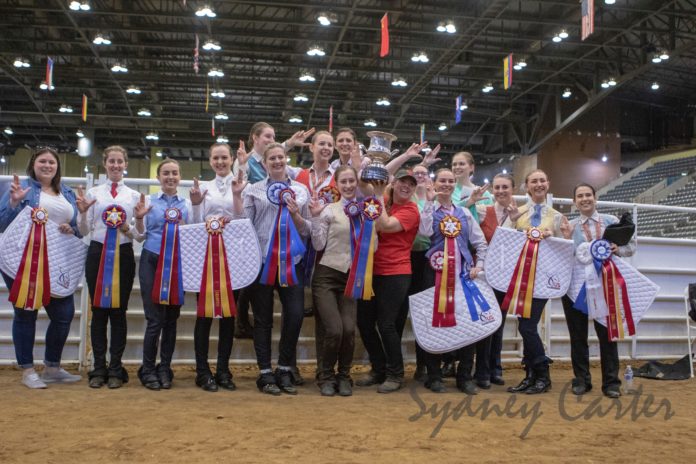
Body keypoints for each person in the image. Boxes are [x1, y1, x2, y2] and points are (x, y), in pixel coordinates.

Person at [0, 148, 83, 388]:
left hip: (57, 259)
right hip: (23, 259)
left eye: (52, 162)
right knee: (26, 313)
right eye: (42, 161)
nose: (47, 165)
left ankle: (52, 367)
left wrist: (72, 229)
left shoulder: (65, 192)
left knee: (64, 315)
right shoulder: (20, 187)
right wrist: (14, 202)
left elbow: (75, 226)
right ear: (33, 164)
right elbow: (2, 222)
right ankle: (27, 370)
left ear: (57, 166)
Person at [242, 142, 311, 395]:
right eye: (272, 158)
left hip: (292, 263)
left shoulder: (301, 191)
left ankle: (284, 368)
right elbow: (245, 225)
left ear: (286, 159)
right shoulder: (253, 190)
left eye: (281, 157)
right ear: (264, 163)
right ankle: (264, 373)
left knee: (295, 315)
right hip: (261, 262)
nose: (277, 162)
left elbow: (306, 230)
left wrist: (296, 216)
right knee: (263, 320)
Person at [561, 183, 636, 399]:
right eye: (580, 196)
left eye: (588, 195)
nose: (584, 199)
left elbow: (632, 246)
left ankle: (611, 382)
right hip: (575, 286)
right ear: (574, 201)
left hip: (606, 284)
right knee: (577, 335)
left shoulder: (611, 221)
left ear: (595, 198)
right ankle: (581, 380)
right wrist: (566, 239)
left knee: (607, 334)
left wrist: (617, 249)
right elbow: (562, 254)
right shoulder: (569, 226)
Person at [418, 168, 488, 394]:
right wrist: (429, 203)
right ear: (435, 183)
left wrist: (480, 265)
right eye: (442, 181)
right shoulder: (429, 209)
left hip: (464, 276)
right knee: (433, 323)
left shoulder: (465, 213)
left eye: (450, 181)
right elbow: (424, 231)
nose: (446, 184)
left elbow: (480, 243)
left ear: (454, 184)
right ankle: (434, 375)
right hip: (434, 274)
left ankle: (465, 375)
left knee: (468, 324)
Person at [355, 158, 422, 394]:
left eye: (411, 184)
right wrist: (359, 166)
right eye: (402, 181)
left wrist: (380, 193)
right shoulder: (384, 199)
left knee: (386, 324)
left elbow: (383, 225)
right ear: (394, 183)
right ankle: (379, 368)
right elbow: (364, 189)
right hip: (374, 270)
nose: (406, 186)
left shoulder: (411, 210)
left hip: (396, 272)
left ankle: (395, 373)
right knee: (364, 322)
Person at [77, 145, 140, 389]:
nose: (115, 165)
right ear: (105, 164)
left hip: (123, 253)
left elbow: (139, 235)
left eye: (119, 161)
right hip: (97, 251)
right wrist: (82, 213)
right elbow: (84, 230)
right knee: (99, 310)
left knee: (118, 311)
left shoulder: (133, 196)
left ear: (126, 165)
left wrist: (130, 227)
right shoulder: (93, 193)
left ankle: (116, 366)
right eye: (111, 161)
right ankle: (98, 367)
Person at [506, 169, 570, 395]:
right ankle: (531, 376)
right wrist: (511, 221)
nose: (539, 184)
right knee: (526, 326)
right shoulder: (517, 213)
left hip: (542, 278)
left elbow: (564, 248)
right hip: (521, 277)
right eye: (534, 181)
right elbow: (506, 240)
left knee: (527, 326)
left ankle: (542, 374)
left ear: (548, 184)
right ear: (527, 186)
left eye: (542, 180)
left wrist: (555, 236)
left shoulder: (556, 217)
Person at [188, 143, 246, 392]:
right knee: (204, 315)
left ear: (231, 159)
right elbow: (194, 223)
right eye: (216, 158)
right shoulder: (204, 188)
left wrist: (237, 196)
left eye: (225, 157)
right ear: (210, 161)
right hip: (207, 258)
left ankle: (223, 369)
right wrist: (196, 203)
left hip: (234, 257)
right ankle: (202, 371)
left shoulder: (243, 185)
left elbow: (245, 221)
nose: (221, 162)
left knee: (229, 316)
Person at [133, 158, 193, 391]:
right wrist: (139, 218)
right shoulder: (147, 201)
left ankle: (165, 368)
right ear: (158, 177)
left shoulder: (187, 205)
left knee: (171, 320)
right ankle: (147, 369)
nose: (170, 177)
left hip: (178, 264)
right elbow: (139, 236)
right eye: (166, 173)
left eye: (174, 173)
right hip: (152, 260)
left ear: (180, 177)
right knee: (154, 319)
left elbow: (194, 233)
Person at [308, 165, 360, 396]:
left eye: (351, 181)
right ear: (337, 185)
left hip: (352, 277)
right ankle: (326, 375)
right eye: (344, 182)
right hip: (326, 276)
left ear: (356, 183)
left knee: (349, 330)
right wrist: (316, 216)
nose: (348, 186)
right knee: (334, 329)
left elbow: (374, 247)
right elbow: (318, 245)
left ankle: (344, 375)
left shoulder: (365, 211)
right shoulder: (329, 210)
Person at [476, 173, 518, 386]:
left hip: (504, 277)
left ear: (512, 189)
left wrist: (516, 221)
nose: (501, 191)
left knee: (499, 323)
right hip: (484, 276)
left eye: (505, 187)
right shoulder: (484, 211)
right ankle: (482, 371)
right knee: (486, 322)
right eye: (497, 187)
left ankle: (495, 368)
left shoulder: (519, 214)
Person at [451, 151, 493, 222]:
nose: (457, 167)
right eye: (454, 164)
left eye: (461, 164)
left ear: (471, 167)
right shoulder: (447, 190)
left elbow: (490, 220)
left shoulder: (484, 193)